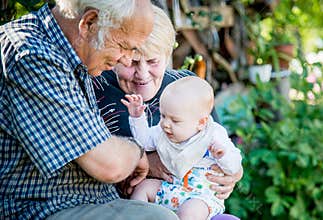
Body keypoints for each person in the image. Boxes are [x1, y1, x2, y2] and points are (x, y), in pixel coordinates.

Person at [0, 0, 180, 219]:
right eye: (123, 46)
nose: (124, 60)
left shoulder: (73, 54)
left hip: (88, 200)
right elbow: (109, 164)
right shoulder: (33, 56)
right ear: (89, 23)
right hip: (43, 209)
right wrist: (138, 154)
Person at [93, 4, 243, 199]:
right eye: (133, 62)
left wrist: (234, 174)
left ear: (167, 56)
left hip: (189, 199)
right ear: (119, 53)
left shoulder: (186, 86)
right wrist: (147, 162)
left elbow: (219, 141)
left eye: (153, 61)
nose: (142, 74)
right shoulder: (97, 86)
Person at [122, 76, 242, 220]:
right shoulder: (163, 132)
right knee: (143, 188)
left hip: (201, 197)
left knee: (189, 212)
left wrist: (223, 155)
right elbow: (144, 141)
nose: (166, 124)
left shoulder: (213, 135)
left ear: (201, 122)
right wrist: (137, 118)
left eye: (175, 120)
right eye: (163, 115)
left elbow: (234, 167)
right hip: (171, 188)